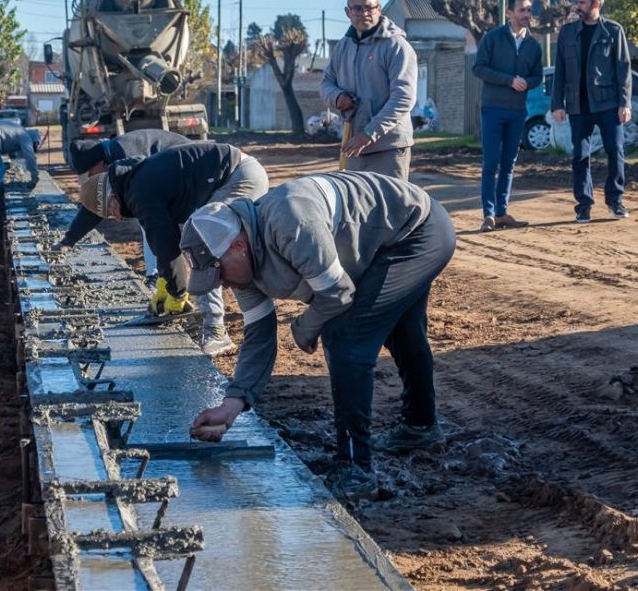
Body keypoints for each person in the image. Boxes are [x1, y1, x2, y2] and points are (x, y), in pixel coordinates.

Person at [181, 171, 455, 501]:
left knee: (346, 336)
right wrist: (232, 404)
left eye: (218, 272)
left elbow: (338, 295)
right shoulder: (244, 268)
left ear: (238, 246)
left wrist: (305, 327)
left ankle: (355, 468)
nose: (221, 284)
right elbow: (259, 336)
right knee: (402, 331)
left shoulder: (289, 219)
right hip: (380, 245)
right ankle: (421, 427)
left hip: (417, 231)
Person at [77, 142, 268, 356]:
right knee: (192, 235)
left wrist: (177, 293)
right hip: (232, 173)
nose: (117, 219)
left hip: (238, 177)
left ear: (111, 198)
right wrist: (164, 284)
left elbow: (165, 244)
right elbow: (169, 238)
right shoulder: (136, 182)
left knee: (206, 245)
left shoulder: (139, 192)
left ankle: (215, 331)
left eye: (111, 213)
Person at [60, 130, 193, 282]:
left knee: (158, 224)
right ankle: (158, 275)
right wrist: (69, 239)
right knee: (151, 222)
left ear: (98, 163)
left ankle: (166, 278)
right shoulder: (111, 154)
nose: (91, 180)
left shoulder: (125, 154)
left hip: (188, 171)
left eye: (90, 175)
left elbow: (102, 199)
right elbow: (97, 203)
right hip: (171, 177)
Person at [551, 0, 633, 223]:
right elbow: (560, 71)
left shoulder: (614, 31)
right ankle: (584, 204)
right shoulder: (567, 32)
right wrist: (557, 104)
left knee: (615, 151)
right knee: (580, 155)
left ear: (595, 4)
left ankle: (615, 200)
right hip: (578, 105)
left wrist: (625, 103)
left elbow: (623, 69)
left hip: (608, 104)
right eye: (577, 2)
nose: (577, 6)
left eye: (582, 2)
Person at [321, 0, 418, 180]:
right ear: (348, 12)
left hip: (388, 147)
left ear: (378, 9)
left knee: (390, 207)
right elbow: (326, 83)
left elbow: (403, 98)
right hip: (354, 147)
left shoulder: (396, 46)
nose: (364, 13)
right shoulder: (343, 47)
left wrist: (368, 134)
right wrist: (337, 97)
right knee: (357, 207)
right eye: (357, 8)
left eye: (369, 8)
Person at [472, 0, 543, 232]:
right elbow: (479, 68)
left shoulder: (533, 45)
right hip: (492, 109)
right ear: (509, 12)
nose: (526, 15)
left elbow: (537, 76)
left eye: (529, 11)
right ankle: (489, 215)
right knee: (491, 162)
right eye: (522, 10)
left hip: (517, 111)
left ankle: (502, 213)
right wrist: (508, 80)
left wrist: (526, 82)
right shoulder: (492, 38)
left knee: (509, 163)